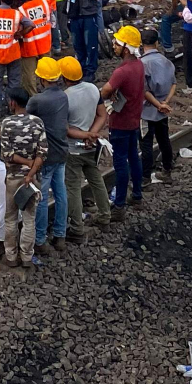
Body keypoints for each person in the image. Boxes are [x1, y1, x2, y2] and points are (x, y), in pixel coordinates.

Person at [59, 55, 111, 238]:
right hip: (91, 146)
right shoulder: (92, 89)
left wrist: (85, 135)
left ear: (64, 77)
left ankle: (77, 228)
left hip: (73, 149)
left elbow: (65, 129)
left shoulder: (65, 97)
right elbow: (102, 115)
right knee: (96, 180)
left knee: (72, 187)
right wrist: (92, 134)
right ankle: (105, 217)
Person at [25, 58, 72, 252]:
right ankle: (60, 236)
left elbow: (26, 120)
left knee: (42, 197)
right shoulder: (63, 96)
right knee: (60, 193)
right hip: (61, 151)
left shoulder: (37, 100)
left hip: (45, 155)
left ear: (42, 79)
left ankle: (40, 239)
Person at [102, 26, 149, 214]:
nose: (113, 46)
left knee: (120, 164)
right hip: (134, 120)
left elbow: (105, 91)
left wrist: (107, 94)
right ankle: (137, 195)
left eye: (117, 43)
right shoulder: (139, 65)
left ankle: (119, 205)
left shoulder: (121, 71)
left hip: (120, 123)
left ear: (126, 48)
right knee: (133, 158)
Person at [0, 89, 46, 267]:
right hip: (32, 180)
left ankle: (11, 256)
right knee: (29, 218)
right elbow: (43, 152)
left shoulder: (7, 123)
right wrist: (31, 172)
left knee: (10, 217)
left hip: (13, 177)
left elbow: (7, 154)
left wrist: (25, 163)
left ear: (13, 103)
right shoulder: (38, 122)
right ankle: (27, 257)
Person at [140, 28, 176, 181]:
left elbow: (144, 91)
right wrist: (165, 103)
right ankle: (167, 170)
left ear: (142, 44)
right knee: (164, 139)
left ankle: (146, 178)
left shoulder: (142, 63)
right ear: (157, 43)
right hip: (163, 108)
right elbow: (174, 84)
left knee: (146, 145)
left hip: (147, 111)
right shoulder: (166, 61)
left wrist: (157, 105)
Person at [66, 0, 105, 79]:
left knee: (91, 45)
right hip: (74, 13)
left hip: (88, 13)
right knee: (78, 44)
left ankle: (90, 71)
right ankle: (81, 68)